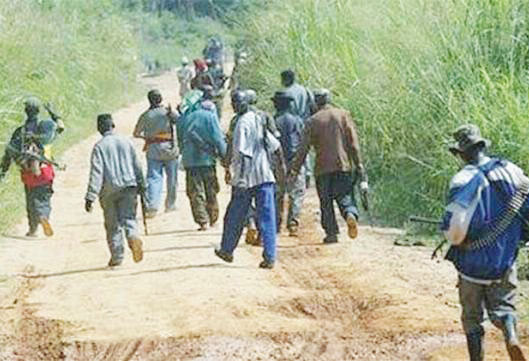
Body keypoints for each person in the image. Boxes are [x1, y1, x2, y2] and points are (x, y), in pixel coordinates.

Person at [441, 124, 527, 361]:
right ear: (481, 146)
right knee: (505, 307)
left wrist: (452, 239)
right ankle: (510, 335)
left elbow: (455, 230)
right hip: (504, 259)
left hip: (472, 263)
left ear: (461, 153)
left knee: (472, 317)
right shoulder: (510, 169)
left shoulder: (462, 179)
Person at [215, 90, 286, 269]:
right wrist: (280, 170)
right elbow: (275, 146)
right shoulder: (259, 119)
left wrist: (241, 179)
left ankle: (227, 249)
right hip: (264, 176)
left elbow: (243, 153)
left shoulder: (241, 123)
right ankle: (270, 256)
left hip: (247, 178)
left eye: (236, 102)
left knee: (234, 215)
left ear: (244, 103)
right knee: (267, 217)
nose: (234, 105)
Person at [289, 89, 367, 244]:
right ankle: (350, 213)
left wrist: (294, 170)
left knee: (326, 202)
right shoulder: (343, 115)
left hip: (322, 168)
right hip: (343, 165)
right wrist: (358, 164)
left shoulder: (312, 121)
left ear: (315, 102)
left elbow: (303, 149)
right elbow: (353, 143)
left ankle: (331, 233)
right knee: (345, 196)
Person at [85, 114, 145, 267]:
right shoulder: (126, 141)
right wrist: (142, 183)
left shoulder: (99, 146)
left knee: (112, 225)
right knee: (129, 218)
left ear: (99, 128)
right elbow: (136, 164)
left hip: (109, 191)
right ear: (113, 125)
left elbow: (96, 173)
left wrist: (90, 196)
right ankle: (133, 236)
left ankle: (117, 257)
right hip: (129, 187)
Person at [0, 97, 64, 237]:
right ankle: (43, 216)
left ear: (26, 111)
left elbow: (8, 153)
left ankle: (33, 229)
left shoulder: (20, 132)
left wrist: (3, 172)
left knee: (30, 201)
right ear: (38, 111)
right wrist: (52, 113)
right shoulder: (46, 128)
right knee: (44, 198)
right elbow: (61, 126)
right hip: (45, 171)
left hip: (27, 174)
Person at [177, 87, 227, 231]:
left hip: (190, 161)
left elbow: (179, 140)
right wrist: (224, 157)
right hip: (207, 159)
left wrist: (184, 152)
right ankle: (213, 218)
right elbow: (218, 139)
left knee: (195, 191)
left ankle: (202, 221)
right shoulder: (209, 116)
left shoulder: (183, 118)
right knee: (211, 189)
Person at [133, 89, 179, 218]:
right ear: (161, 99)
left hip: (153, 149)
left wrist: (148, 138)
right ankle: (170, 204)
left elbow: (136, 133)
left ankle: (152, 206)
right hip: (170, 148)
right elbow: (179, 121)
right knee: (172, 178)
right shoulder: (168, 112)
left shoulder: (146, 115)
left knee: (154, 178)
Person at [272, 91, 306, 236]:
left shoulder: (273, 120)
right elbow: (304, 143)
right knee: (296, 193)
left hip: (277, 161)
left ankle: (276, 224)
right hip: (295, 161)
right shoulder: (297, 120)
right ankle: (293, 224)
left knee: (277, 194)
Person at [280, 69, 315, 188]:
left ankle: (290, 175)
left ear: (286, 79)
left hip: (291, 124)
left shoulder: (286, 93)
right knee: (305, 148)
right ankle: (307, 173)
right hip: (305, 123)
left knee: (291, 148)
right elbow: (313, 106)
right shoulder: (305, 90)